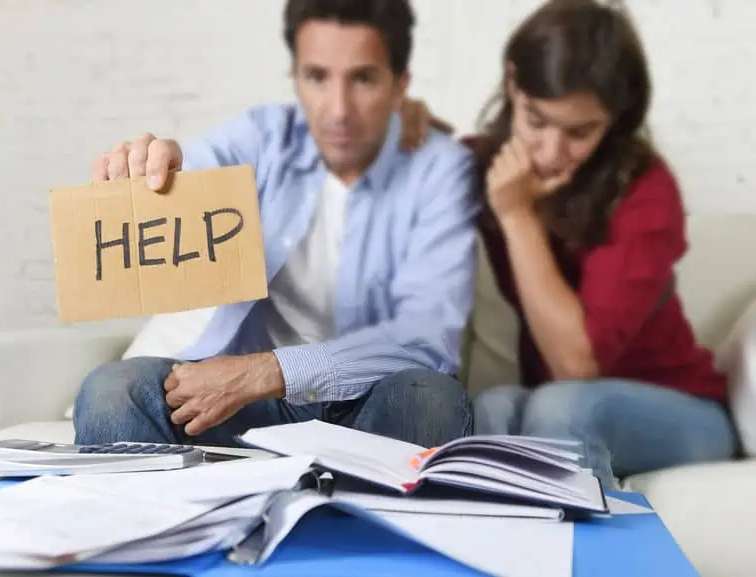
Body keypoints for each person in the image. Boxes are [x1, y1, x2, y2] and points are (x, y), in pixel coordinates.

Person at [73, 0, 478, 449]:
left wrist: (268, 371)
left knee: (431, 401)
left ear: (399, 85)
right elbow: (198, 168)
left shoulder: (442, 171)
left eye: (362, 78)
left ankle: (350, 519)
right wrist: (159, 164)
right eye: (317, 77)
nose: (338, 109)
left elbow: (427, 338)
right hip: (245, 403)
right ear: (297, 77)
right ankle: (169, 518)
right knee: (113, 391)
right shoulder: (265, 137)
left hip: (368, 401)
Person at [402, 0, 737, 489]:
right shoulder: (489, 166)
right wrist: (400, 125)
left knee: (562, 404)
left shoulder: (645, 191)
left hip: (682, 412)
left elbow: (576, 366)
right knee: (494, 406)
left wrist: (517, 216)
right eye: (536, 120)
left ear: (616, 118)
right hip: (559, 401)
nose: (551, 152)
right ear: (513, 84)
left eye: (580, 132)